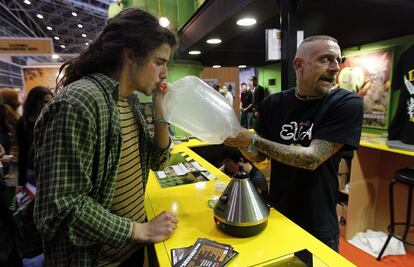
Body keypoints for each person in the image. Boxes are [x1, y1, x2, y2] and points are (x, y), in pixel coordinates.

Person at [33, 8, 178, 266]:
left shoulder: (129, 102)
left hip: (129, 252)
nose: (164, 73)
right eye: (159, 62)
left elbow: (160, 161)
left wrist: (159, 108)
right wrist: (140, 230)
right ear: (130, 55)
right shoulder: (81, 102)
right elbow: (60, 208)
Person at [225, 35, 363, 252]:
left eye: (338, 60)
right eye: (326, 59)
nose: (336, 67)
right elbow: (259, 157)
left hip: (318, 225)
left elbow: (312, 158)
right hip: (278, 215)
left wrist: (252, 139)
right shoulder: (273, 104)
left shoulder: (346, 103)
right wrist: (238, 142)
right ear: (299, 65)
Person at [16, 86, 53, 187]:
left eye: (50, 101)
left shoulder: (51, 121)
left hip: (50, 170)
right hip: (31, 171)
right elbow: (23, 153)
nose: (48, 105)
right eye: (45, 102)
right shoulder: (22, 123)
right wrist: (21, 182)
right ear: (34, 102)